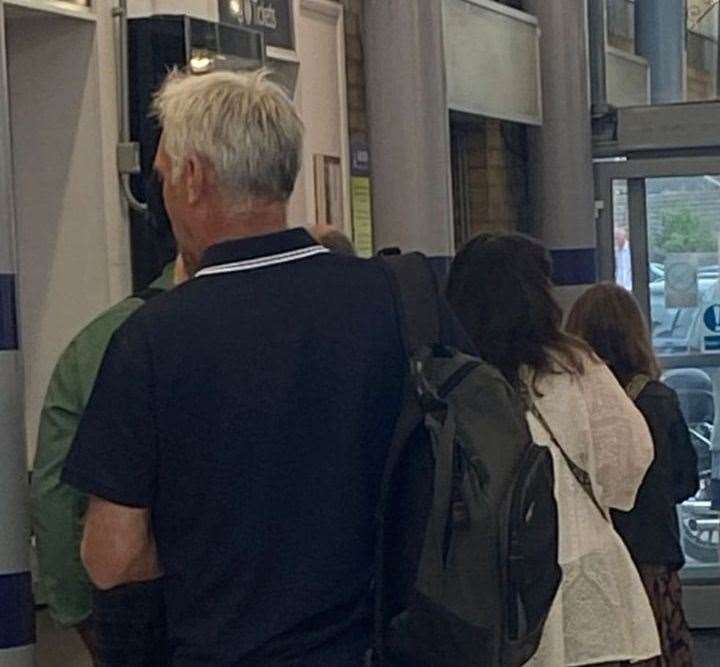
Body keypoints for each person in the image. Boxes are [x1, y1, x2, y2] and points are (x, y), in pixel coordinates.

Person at [60, 69, 419, 665]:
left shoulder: (150, 340)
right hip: (386, 648)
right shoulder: (398, 299)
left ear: (193, 178)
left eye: (164, 178)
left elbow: (113, 556)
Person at [446, 232, 660, 667]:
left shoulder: (445, 377)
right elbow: (631, 452)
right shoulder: (572, 366)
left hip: (476, 586)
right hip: (579, 567)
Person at [31, 258, 183, 664]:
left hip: (134, 610)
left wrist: (77, 610)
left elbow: (55, 494)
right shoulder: (273, 331)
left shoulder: (102, 339)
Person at [567, 282, 698, 667]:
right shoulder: (658, 400)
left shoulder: (571, 402)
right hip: (651, 553)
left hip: (594, 557)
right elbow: (685, 481)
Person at [615, 226, 633, 291]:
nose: (616, 240)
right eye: (615, 238)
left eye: (618, 237)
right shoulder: (615, 251)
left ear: (623, 237)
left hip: (630, 286)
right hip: (618, 287)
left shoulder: (630, 249)